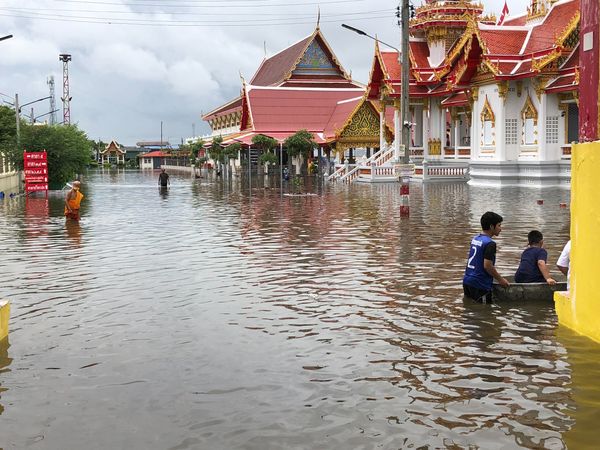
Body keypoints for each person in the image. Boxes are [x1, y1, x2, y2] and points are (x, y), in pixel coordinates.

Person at [463, 211, 510, 303]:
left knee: (469, 310)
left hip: (467, 281)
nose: (501, 229)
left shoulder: (475, 239)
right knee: (484, 314)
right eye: (499, 225)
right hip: (480, 284)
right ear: (492, 226)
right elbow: (487, 266)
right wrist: (501, 280)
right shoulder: (490, 243)